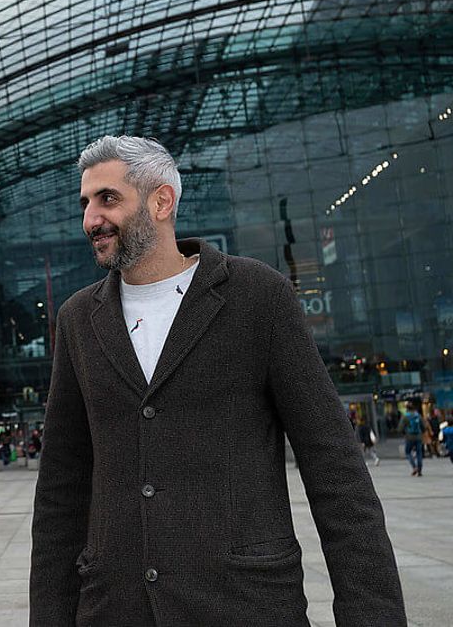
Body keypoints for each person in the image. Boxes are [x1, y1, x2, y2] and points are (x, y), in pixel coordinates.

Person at [30, 135, 405, 626]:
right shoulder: (78, 319)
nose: (91, 219)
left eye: (108, 198)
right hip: (114, 609)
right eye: (85, 202)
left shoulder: (258, 296)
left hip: (246, 606)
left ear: (161, 201)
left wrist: (373, 616)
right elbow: (61, 492)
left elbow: (334, 468)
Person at [399, 404, 426, 476]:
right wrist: (422, 432)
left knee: (408, 452)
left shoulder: (405, 416)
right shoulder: (418, 415)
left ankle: (414, 467)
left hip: (409, 437)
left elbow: (400, 428)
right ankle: (419, 470)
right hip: (418, 437)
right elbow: (423, 427)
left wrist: (404, 433)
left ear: (407, 409)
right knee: (419, 453)